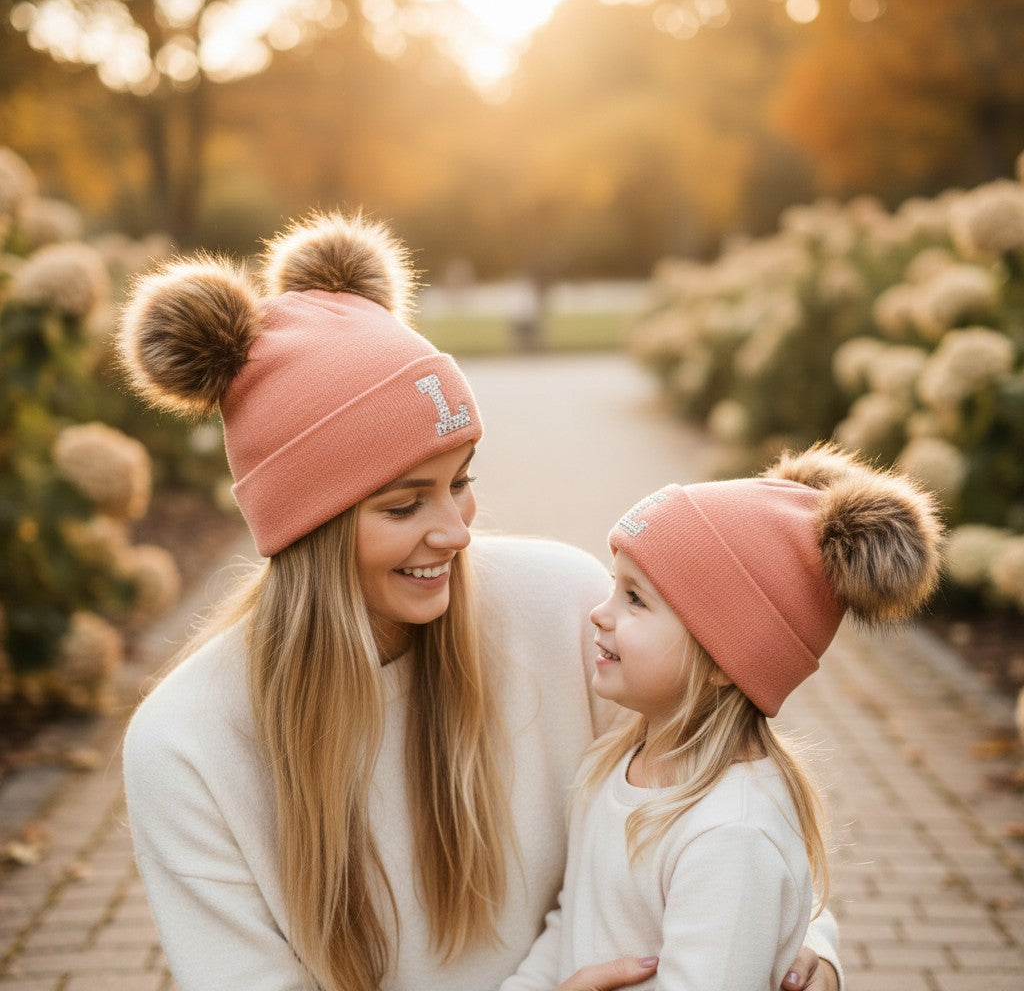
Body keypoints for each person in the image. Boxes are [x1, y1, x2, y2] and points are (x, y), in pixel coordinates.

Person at [118, 210, 845, 991]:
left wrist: (812, 944)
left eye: (461, 482)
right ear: (308, 529)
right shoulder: (185, 744)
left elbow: (719, 812)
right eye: (404, 507)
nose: (457, 533)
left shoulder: (562, 608)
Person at [502, 446, 944, 991]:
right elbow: (570, 920)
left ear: (723, 660)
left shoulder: (732, 832)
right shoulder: (611, 762)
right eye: (616, 586)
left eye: (635, 599)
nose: (600, 611)